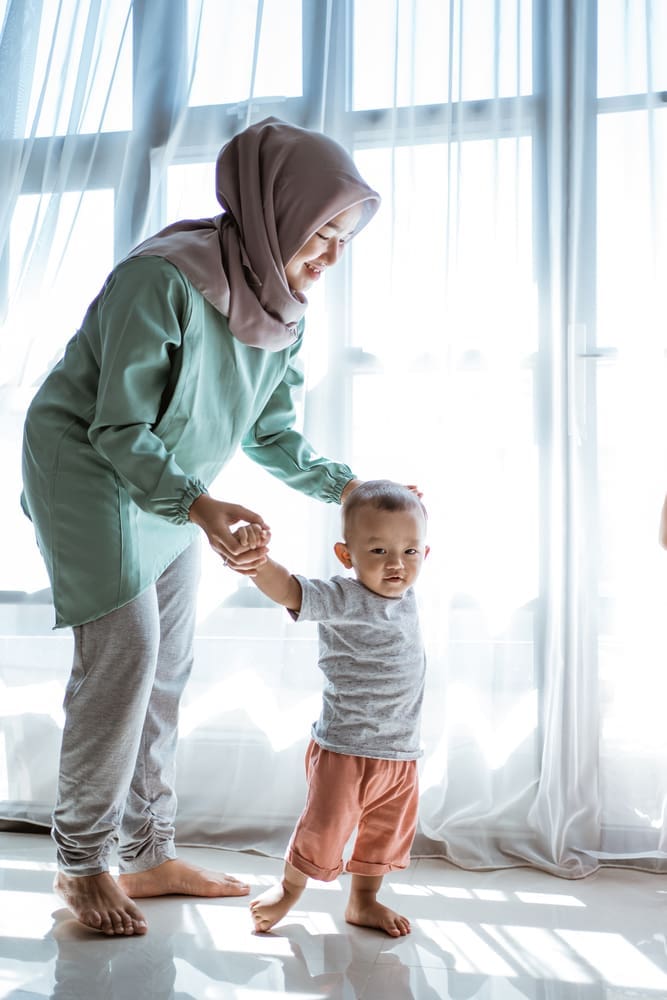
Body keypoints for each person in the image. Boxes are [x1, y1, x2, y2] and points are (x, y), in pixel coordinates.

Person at [20, 117, 382, 936]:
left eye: (343, 242)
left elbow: (269, 433)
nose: (328, 257)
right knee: (128, 653)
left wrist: (346, 485)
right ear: (275, 213)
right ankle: (82, 865)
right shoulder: (161, 279)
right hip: (89, 467)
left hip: (174, 482)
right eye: (320, 233)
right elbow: (116, 431)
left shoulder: (283, 310)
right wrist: (203, 505)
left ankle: (147, 854)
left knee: (172, 660)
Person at [232, 480, 430, 937]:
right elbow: (288, 589)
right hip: (346, 748)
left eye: (410, 552)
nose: (396, 563)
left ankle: (364, 900)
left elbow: (402, 522)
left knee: (384, 831)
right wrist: (256, 562)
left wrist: (409, 502)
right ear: (347, 556)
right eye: (378, 551)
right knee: (324, 829)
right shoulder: (344, 595)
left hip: (400, 751)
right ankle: (290, 890)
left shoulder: (405, 591)